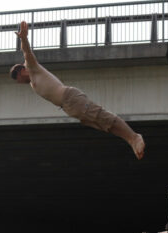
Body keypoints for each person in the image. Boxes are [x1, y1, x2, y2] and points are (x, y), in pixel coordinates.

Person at [10, 21, 146, 160]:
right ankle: (130, 140)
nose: (20, 83)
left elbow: (26, 52)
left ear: (20, 72)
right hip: (68, 106)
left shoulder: (32, 67)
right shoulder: (32, 82)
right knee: (103, 124)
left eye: (18, 80)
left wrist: (24, 38)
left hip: (70, 98)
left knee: (101, 116)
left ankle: (134, 137)